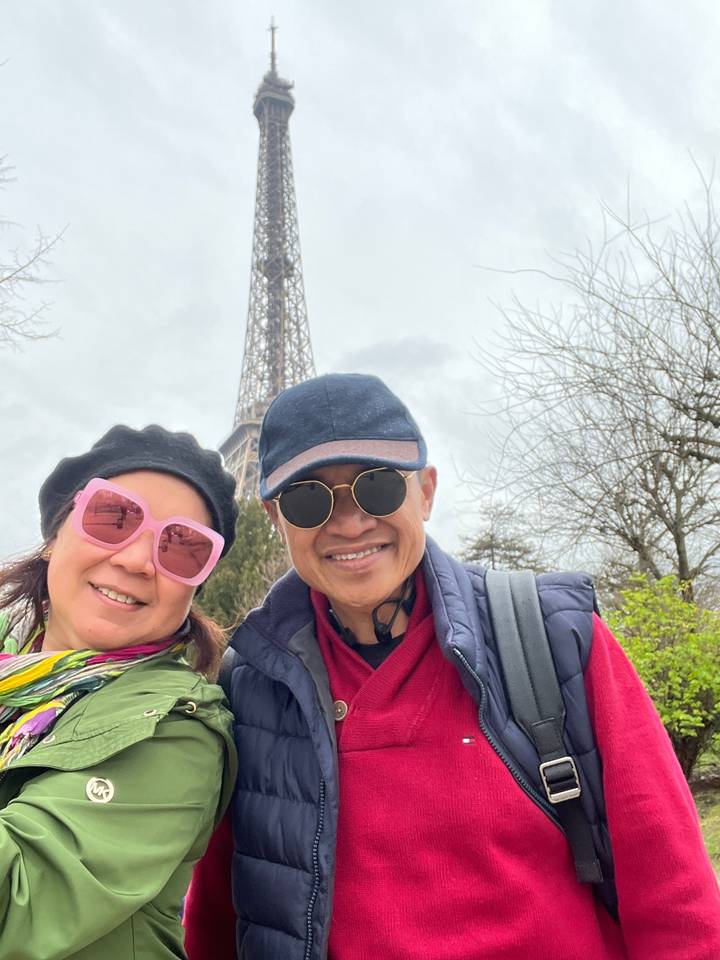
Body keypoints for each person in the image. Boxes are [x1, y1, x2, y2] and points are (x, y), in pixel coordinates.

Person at [184, 373, 720, 960]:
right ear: (275, 517)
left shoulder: (550, 636)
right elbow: (217, 921)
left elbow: (676, 902)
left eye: (379, 488)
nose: (349, 522)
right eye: (309, 498)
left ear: (427, 492)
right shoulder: (247, 683)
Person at [0, 424, 239, 959]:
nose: (136, 559)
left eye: (183, 547)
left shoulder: (178, 730)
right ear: (54, 535)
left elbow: (18, 905)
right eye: (113, 517)